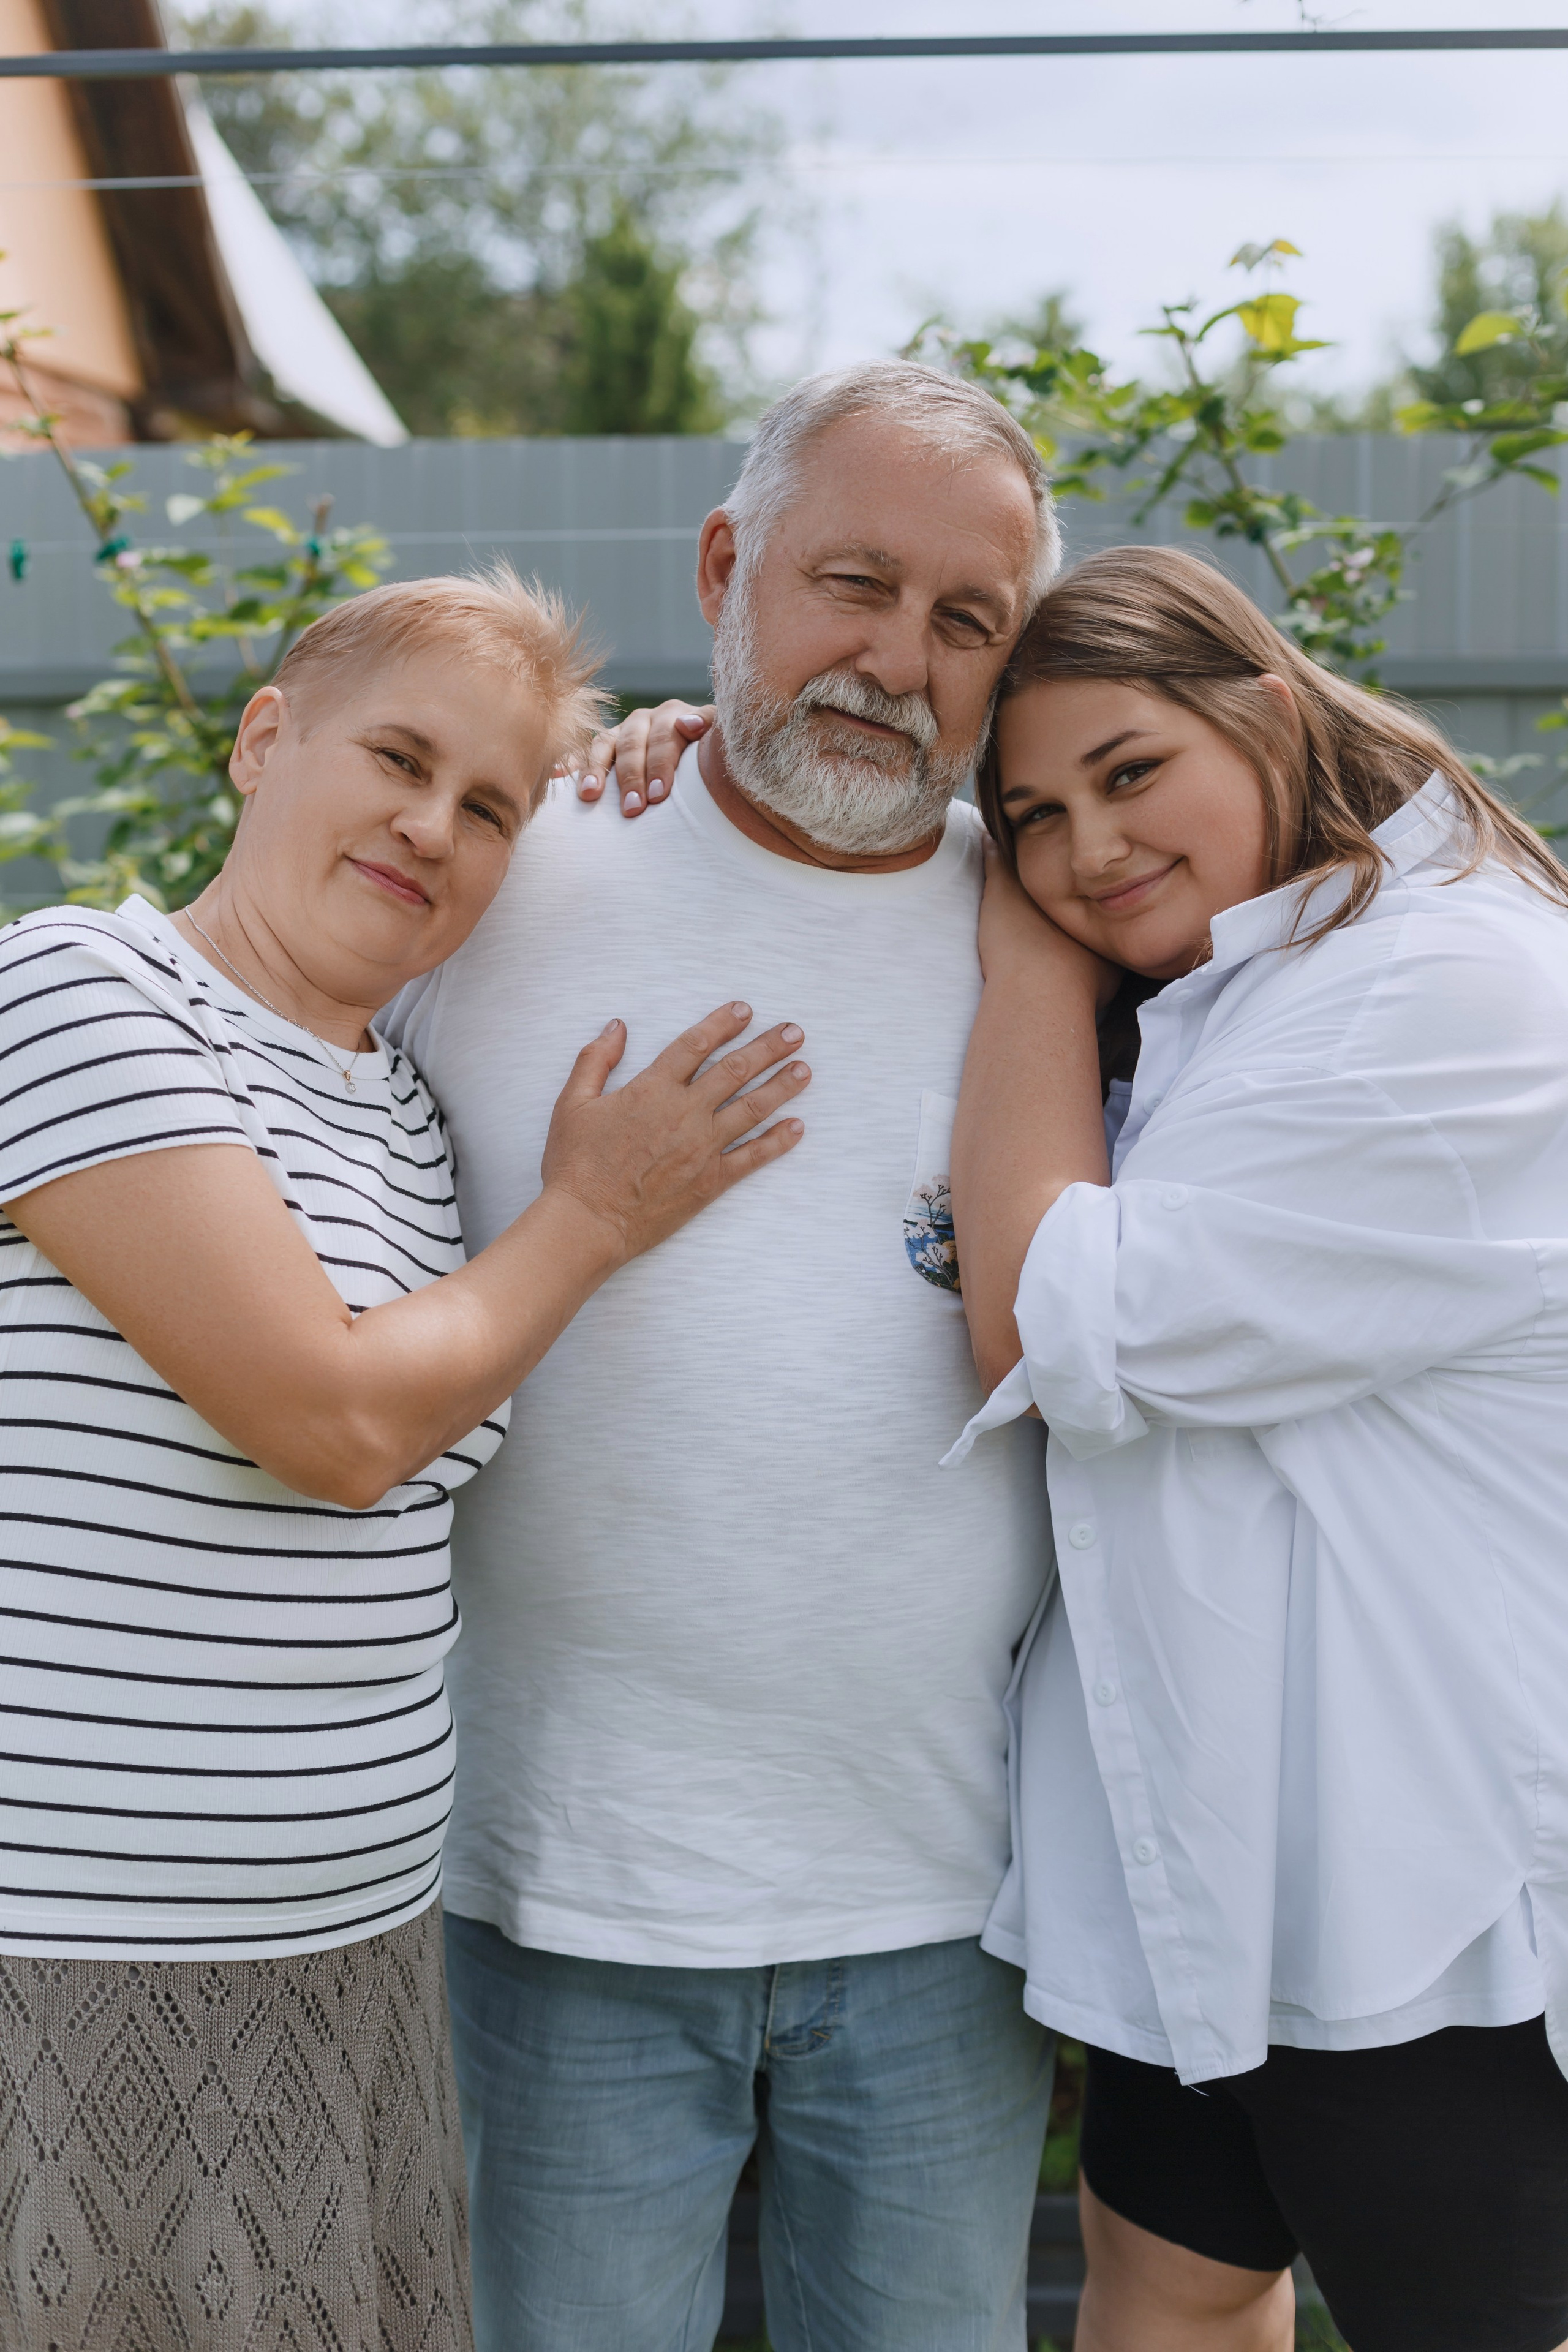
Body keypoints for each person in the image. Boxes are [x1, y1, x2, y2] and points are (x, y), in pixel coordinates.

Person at [0, 568, 809, 2352]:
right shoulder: (73, 991)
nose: (433, 827)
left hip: (352, 1963)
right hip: (81, 1962)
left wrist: (674, 758)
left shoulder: (404, 1116)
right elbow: (340, 1421)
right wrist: (596, 1214)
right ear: (266, 738)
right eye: (400, 758)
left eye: (493, 805)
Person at [381, 361, 1061, 2352]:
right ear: (724, 567)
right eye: (848, 585)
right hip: (552, 1890)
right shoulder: (498, 881)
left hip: (950, 1902)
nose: (895, 660)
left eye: (966, 622)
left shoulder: (1060, 936)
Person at [947, 543, 1568, 2352]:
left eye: (1131, 774)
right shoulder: (1246, 985)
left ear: (1268, 714)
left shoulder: (1453, 987)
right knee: (1176, 2294)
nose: (1089, 852)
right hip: (1206, 1846)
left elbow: (1051, 1310)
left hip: (1419, 1883)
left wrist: (1015, 947)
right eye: (1036, 816)